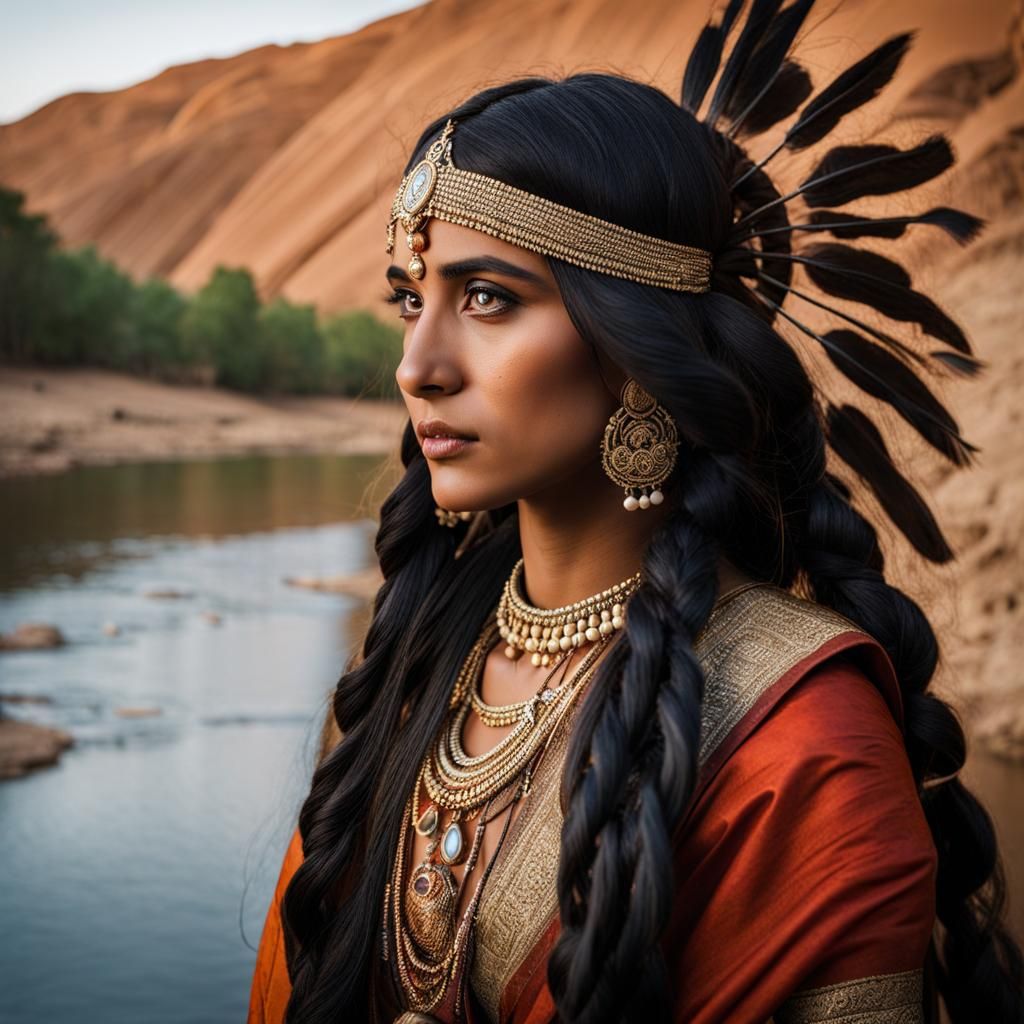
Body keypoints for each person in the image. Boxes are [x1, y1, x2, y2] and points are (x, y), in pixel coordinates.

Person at [248, 2, 1024, 1021]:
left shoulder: (805, 747)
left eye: (486, 297)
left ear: (636, 349)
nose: (416, 365)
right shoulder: (416, 666)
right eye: (409, 297)